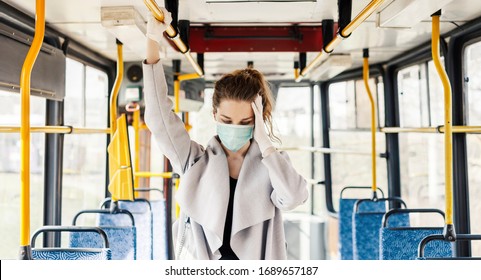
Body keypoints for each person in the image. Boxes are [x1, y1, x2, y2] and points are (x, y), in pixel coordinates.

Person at [143, 8, 308, 260]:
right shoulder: (194, 160)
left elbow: (294, 197)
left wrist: (265, 143)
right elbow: (158, 116)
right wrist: (152, 40)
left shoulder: (273, 164)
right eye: (227, 120)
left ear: (258, 120)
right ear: (214, 115)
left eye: (245, 121)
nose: (235, 127)